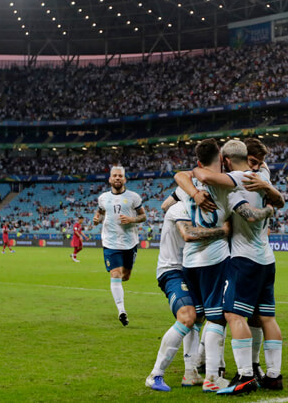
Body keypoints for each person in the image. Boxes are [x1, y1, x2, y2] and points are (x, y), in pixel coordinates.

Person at [191, 139, 285, 394]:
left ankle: (245, 376)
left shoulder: (233, 183)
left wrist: (198, 180)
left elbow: (249, 214)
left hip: (245, 259)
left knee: (234, 315)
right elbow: (278, 201)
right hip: (267, 258)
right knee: (266, 317)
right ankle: (274, 376)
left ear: (227, 160)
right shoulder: (262, 174)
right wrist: (271, 205)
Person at [145, 199, 228, 392]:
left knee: (198, 318)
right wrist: (224, 231)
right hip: (172, 270)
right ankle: (155, 374)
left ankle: (191, 373)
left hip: (193, 268)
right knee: (187, 316)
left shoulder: (205, 210)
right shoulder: (179, 208)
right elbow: (188, 234)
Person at [93, 166, 146, 326]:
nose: (117, 178)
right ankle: (122, 311)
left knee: (126, 276)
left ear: (124, 179)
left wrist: (132, 220)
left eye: (120, 176)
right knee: (115, 273)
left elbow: (143, 216)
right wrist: (96, 219)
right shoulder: (103, 198)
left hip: (129, 242)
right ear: (110, 179)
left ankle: (120, 299)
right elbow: (100, 212)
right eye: (114, 176)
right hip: (110, 242)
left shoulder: (133, 197)